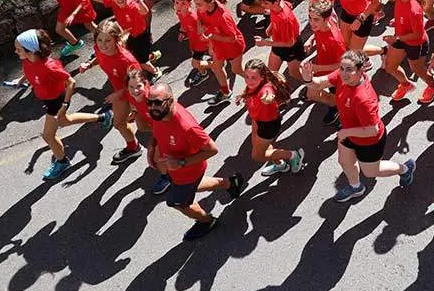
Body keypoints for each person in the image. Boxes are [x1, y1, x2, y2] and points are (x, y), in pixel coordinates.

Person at [307, 50, 417, 202]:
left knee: (371, 171)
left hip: (369, 140)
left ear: (360, 70)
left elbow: (373, 130)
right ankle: (356, 187)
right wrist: (308, 78)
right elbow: (318, 83)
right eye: (342, 68)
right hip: (349, 131)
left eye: (349, 70)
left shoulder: (363, 99)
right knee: (345, 161)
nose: (343, 73)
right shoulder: (342, 76)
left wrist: (346, 133)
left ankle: (405, 169)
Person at [145, 82, 246, 240]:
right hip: (177, 170)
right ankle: (231, 183)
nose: (152, 107)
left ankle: (207, 221)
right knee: (193, 187)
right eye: (149, 102)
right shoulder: (159, 114)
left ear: (171, 100)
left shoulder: (187, 127)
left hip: (188, 171)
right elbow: (157, 131)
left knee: (178, 203)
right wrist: (152, 147)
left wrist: (181, 163)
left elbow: (212, 149)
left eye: (157, 102)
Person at [12, 29, 111, 180]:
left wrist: (64, 105)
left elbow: (71, 82)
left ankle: (62, 162)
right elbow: (28, 70)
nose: (16, 51)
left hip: (57, 100)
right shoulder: (28, 59)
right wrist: (20, 81)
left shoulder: (50, 67)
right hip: (47, 99)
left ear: (31, 50)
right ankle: (103, 117)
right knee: (64, 121)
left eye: (19, 49)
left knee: (48, 135)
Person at [76, 20, 144, 164]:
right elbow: (99, 58)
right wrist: (89, 64)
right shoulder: (99, 49)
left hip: (137, 94)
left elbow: (140, 84)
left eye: (108, 40)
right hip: (121, 94)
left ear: (116, 40)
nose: (102, 44)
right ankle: (134, 148)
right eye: (99, 40)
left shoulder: (127, 60)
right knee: (119, 123)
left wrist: (119, 94)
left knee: (146, 126)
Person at [237, 58, 303, 177]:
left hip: (268, 125)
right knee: (260, 145)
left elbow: (269, 95)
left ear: (262, 77)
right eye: (246, 76)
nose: (248, 81)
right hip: (257, 119)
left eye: (253, 77)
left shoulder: (266, 89)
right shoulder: (255, 84)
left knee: (257, 156)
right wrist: (243, 95)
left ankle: (292, 155)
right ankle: (280, 165)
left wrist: (268, 100)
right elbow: (249, 89)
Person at [86, 0, 161, 79]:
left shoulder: (133, 4)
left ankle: (155, 72)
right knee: (132, 53)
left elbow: (145, 11)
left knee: (139, 60)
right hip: (130, 34)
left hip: (141, 35)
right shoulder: (112, 1)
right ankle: (152, 56)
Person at [383, 0, 434, 103]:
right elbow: (403, 16)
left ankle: (433, 86)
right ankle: (406, 85)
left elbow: (417, 34)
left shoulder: (414, 10)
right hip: (401, 38)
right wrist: (397, 21)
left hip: (416, 43)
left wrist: (396, 39)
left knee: (417, 70)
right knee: (390, 67)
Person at [193, 0, 246, 105]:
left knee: (237, 70)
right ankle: (226, 93)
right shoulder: (203, 8)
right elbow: (200, 19)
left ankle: (259, 82)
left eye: (199, 4)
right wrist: (200, 26)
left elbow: (233, 38)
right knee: (216, 68)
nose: (196, 7)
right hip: (219, 45)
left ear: (210, 2)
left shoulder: (223, 17)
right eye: (195, 4)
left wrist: (212, 36)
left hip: (233, 48)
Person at [125, 68, 171, 195]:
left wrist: (154, 143)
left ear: (146, 84)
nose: (135, 90)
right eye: (131, 87)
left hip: (165, 129)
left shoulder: (153, 101)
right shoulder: (133, 95)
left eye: (138, 86)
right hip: (156, 127)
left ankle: (167, 178)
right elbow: (134, 104)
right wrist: (134, 113)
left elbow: (166, 122)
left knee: (156, 157)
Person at [255, 0, 305, 81]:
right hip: (278, 44)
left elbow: (290, 43)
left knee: (294, 73)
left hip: (292, 48)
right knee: (270, 73)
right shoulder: (278, 5)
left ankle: (310, 86)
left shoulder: (285, 18)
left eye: (266, 3)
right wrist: (270, 27)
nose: (262, 5)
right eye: (262, 1)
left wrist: (265, 43)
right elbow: (287, 6)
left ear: (276, 1)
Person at [172, 0, 212, 88]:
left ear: (189, 4)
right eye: (177, 2)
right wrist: (182, 32)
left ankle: (206, 72)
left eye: (183, 3)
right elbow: (182, 23)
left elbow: (206, 29)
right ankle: (212, 63)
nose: (179, 6)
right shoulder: (179, 12)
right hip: (193, 41)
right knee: (194, 55)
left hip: (201, 43)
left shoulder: (193, 18)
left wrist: (209, 43)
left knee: (195, 64)